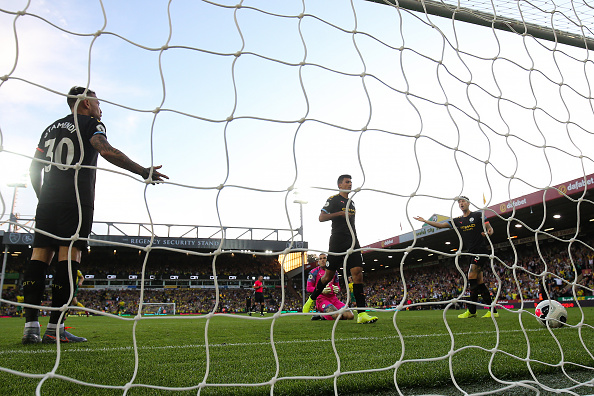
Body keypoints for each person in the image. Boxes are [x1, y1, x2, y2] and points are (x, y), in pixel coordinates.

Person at [21, 86, 168, 345]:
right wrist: (142, 170)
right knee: (69, 257)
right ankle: (55, 328)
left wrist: (41, 197)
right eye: (98, 102)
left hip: (47, 203)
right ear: (86, 104)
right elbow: (106, 150)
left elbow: (34, 169)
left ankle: (30, 327)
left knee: (39, 257)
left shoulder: (50, 129)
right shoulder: (91, 123)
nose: (101, 108)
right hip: (76, 202)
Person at [303, 174, 378, 324]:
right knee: (328, 277)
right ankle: (311, 300)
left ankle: (362, 314)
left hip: (353, 242)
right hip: (337, 242)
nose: (350, 184)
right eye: (347, 182)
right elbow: (321, 217)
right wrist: (338, 214)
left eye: (351, 182)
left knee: (357, 274)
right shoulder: (333, 199)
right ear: (340, 185)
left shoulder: (352, 202)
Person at [414, 196, 498, 319]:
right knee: (479, 281)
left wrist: (489, 231)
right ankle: (493, 311)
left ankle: (472, 311)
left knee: (470, 276)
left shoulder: (478, 215)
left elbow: (489, 227)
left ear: (469, 203)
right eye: (459, 202)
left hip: (481, 250)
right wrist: (426, 221)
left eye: (463, 201)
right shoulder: (457, 220)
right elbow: (441, 225)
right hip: (470, 252)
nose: (461, 203)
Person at [306, 253, 354, 321]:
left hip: (334, 299)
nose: (322, 260)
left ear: (328, 260)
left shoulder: (334, 272)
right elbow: (309, 288)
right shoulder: (314, 272)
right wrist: (321, 290)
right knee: (337, 316)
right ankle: (321, 315)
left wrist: (337, 289)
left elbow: (338, 287)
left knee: (350, 316)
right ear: (318, 262)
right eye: (320, 259)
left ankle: (324, 314)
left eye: (324, 258)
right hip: (321, 299)